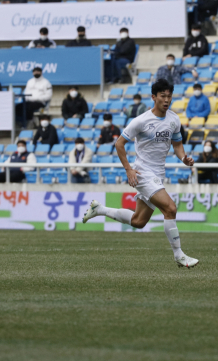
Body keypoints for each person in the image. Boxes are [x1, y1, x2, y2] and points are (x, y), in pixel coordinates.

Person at [82, 79, 198, 268]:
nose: (167, 100)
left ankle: (99, 209)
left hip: (158, 175)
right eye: (163, 96)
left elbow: (177, 144)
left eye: (169, 96)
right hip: (143, 173)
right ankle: (179, 255)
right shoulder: (141, 121)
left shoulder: (174, 120)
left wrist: (184, 158)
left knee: (138, 221)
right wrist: (129, 169)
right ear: (154, 97)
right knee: (170, 208)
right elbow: (119, 143)